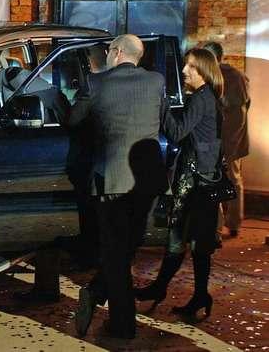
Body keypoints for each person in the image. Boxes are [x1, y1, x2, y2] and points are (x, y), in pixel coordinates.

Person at [68, 34, 167, 339]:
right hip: (146, 181)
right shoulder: (156, 81)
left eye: (110, 51)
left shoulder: (97, 83)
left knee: (115, 254)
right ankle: (99, 295)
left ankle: (121, 323)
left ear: (118, 52)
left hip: (111, 179)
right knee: (126, 249)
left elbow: (73, 120)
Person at [135, 48, 224, 319]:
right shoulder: (209, 97)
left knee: (185, 240)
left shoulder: (200, 99)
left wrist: (161, 104)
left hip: (195, 183)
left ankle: (176, 291)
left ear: (204, 71)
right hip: (202, 180)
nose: (184, 71)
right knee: (190, 241)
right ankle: (184, 292)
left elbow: (176, 133)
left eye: (191, 67)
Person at [203, 41, 249, 238]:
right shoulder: (225, 76)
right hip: (220, 139)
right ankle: (221, 225)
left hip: (227, 139)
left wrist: (227, 143)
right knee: (223, 180)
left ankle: (229, 223)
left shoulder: (232, 77)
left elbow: (238, 114)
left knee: (229, 179)